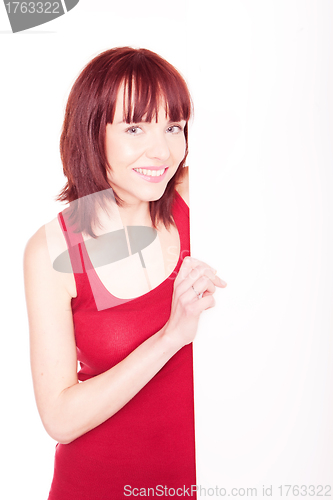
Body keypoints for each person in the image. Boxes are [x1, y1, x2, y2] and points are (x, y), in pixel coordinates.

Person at [23, 47, 227, 499]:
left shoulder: (204, 196)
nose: (163, 149)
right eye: (135, 127)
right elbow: (59, 416)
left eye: (174, 126)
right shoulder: (54, 248)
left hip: (209, 482)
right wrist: (171, 335)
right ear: (93, 131)